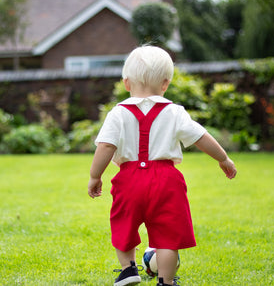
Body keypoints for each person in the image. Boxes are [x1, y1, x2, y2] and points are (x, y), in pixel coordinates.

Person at [88, 45, 237, 286]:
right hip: (167, 179)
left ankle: (128, 270)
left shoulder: (118, 113)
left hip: (129, 179)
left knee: (123, 225)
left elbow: (106, 146)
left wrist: (95, 176)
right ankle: (166, 281)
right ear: (165, 84)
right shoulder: (175, 111)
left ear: (126, 83)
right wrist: (223, 158)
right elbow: (201, 137)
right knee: (168, 236)